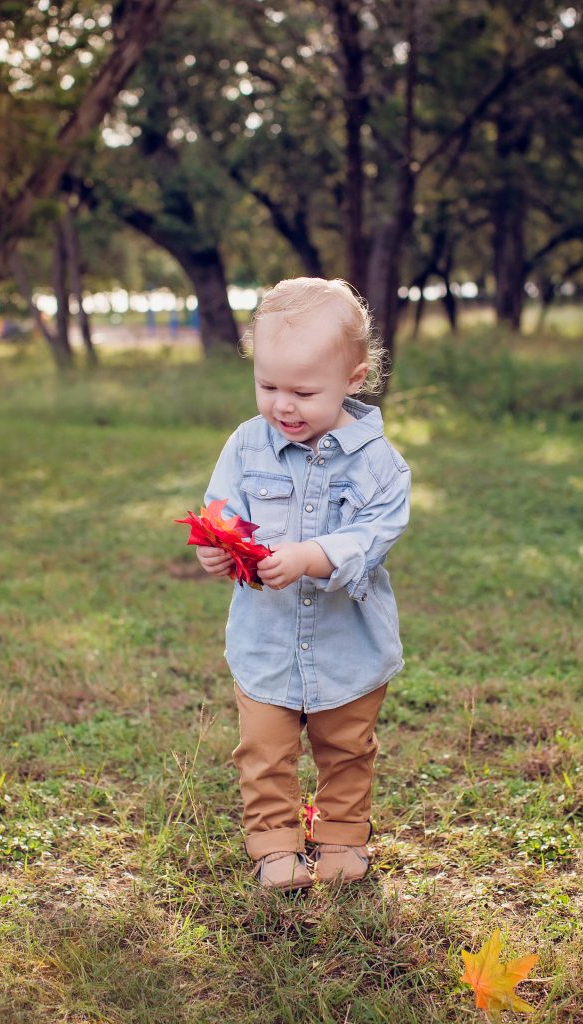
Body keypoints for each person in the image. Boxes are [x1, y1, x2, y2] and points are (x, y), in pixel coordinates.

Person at [197, 278, 411, 891]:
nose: (283, 406)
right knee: (263, 750)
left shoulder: (378, 463)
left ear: (353, 379)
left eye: (304, 392)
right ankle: (274, 845)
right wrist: (219, 547)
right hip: (266, 641)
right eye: (268, 387)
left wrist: (310, 555)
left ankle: (341, 835)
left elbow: (373, 535)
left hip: (349, 646)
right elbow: (222, 511)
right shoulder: (247, 445)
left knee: (346, 747)